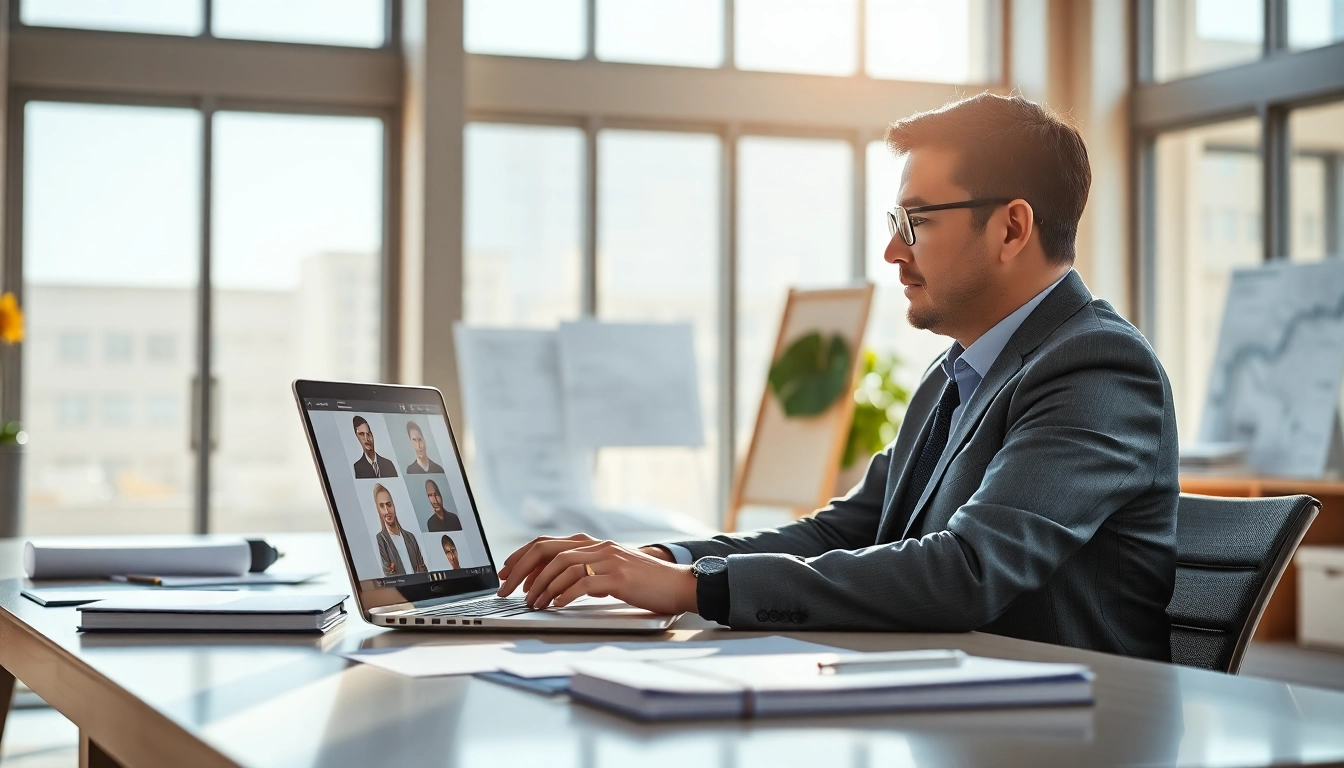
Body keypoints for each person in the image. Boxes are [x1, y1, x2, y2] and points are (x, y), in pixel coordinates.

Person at [495, 93, 1181, 662]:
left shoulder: (1096, 368)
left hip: (1067, 738)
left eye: (915, 221)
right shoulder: (958, 376)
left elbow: (966, 572)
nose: (891, 250)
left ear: (1011, 228)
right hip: (954, 706)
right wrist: (653, 559)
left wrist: (691, 589)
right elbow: (838, 533)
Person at [373, 483, 427, 576]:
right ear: (378, 510)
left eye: (389, 505)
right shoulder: (380, 539)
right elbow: (388, 573)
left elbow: (423, 568)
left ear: (394, 506)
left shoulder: (410, 537)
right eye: (382, 506)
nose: (387, 511)